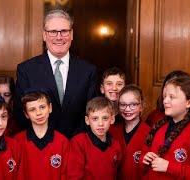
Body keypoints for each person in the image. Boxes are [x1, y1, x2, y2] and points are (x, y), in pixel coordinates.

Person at [14, 9, 97, 138]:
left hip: (77, 145)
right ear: (44, 35)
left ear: (71, 34)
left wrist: (74, 142)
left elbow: (91, 112)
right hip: (40, 145)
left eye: (64, 31)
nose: (59, 37)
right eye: (53, 32)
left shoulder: (88, 70)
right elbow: (21, 113)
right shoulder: (26, 70)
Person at [141, 77, 190, 179]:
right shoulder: (159, 127)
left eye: (172, 97)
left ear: (188, 103)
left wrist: (169, 167)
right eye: (165, 96)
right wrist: (145, 159)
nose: (165, 101)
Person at [14, 89, 69, 179]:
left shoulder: (62, 141)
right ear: (26, 114)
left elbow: (65, 175)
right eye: (32, 110)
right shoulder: (17, 141)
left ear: (50, 108)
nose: (38, 113)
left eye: (42, 107)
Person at [67, 96, 122, 179]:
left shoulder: (116, 145)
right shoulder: (79, 142)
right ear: (87, 120)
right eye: (95, 119)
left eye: (105, 118)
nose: (100, 123)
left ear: (112, 119)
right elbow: (74, 176)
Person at [109, 85, 150, 180]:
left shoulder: (150, 133)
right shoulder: (112, 132)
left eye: (133, 104)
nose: (127, 109)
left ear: (141, 106)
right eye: (123, 104)